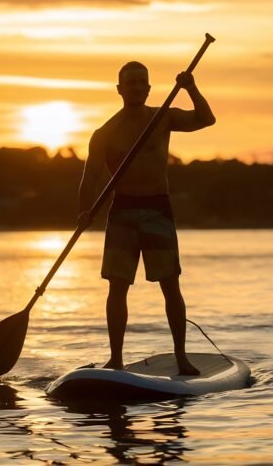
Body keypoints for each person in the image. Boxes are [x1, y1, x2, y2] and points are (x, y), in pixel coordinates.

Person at [77, 61, 216, 375]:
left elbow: (206, 119)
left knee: (170, 286)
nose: (137, 88)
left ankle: (181, 357)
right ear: (119, 89)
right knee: (117, 287)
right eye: (131, 83)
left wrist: (190, 87)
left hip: (158, 211)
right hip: (122, 213)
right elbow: (90, 178)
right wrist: (84, 211)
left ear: (149, 87)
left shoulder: (162, 117)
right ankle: (116, 359)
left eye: (143, 82)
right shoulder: (104, 133)